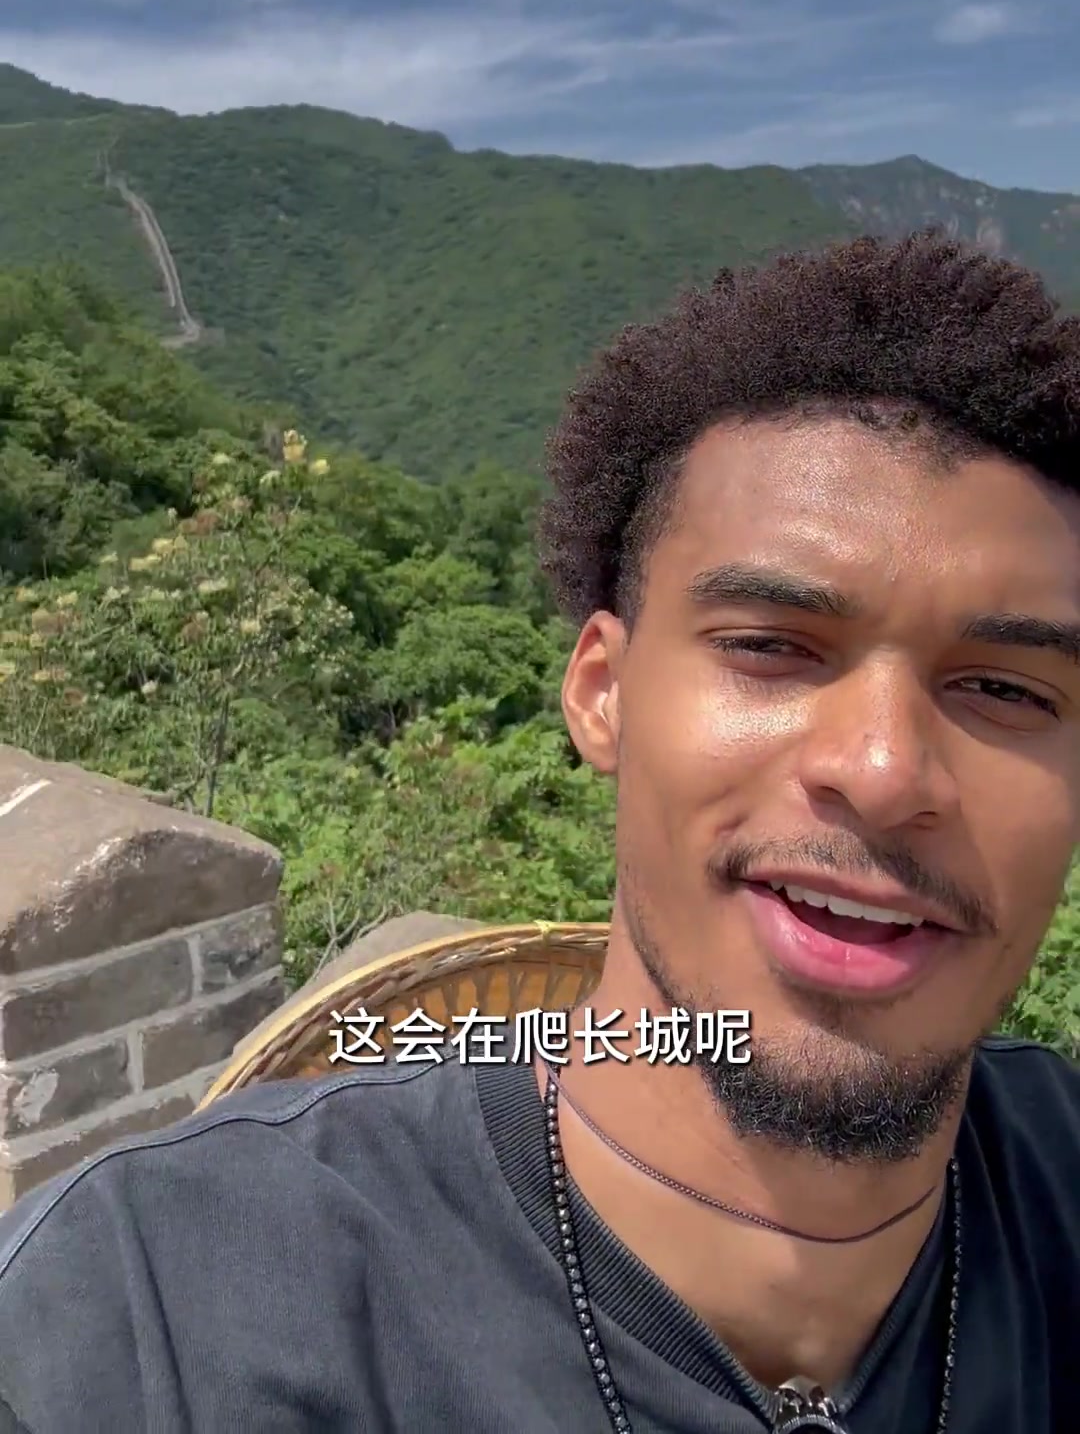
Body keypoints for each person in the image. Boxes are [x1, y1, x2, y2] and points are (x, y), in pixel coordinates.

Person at [1, 229, 1078, 1433]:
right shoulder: (153, 1312)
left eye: (1005, 690)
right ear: (603, 695)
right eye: (771, 648)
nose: (883, 772)